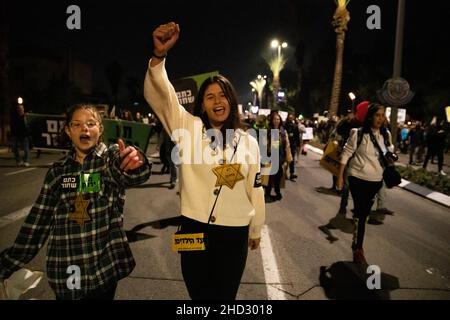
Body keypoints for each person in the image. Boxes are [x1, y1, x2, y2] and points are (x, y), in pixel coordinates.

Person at [143, 22, 265, 300]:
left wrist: (255, 227)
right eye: (209, 97)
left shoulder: (249, 142)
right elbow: (163, 99)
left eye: (222, 95)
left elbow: (255, 188)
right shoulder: (188, 128)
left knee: (225, 297)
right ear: (202, 105)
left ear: (232, 101)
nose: (217, 101)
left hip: (234, 234)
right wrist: (159, 56)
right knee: (198, 296)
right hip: (193, 229)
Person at [0, 104, 151, 300]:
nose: (84, 128)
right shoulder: (57, 172)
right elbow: (37, 223)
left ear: (100, 129)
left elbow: (129, 172)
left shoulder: (108, 160)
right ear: (68, 130)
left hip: (103, 272)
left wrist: (134, 161)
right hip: (65, 269)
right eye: (77, 124)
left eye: (91, 123)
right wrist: (7, 264)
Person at [337, 103, 394, 264]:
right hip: (357, 178)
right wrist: (340, 177)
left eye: (382, 115)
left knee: (363, 213)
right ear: (370, 117)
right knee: (362, 213)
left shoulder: (386, 134)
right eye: (377, 115)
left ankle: (357, 229)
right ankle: (358, 248)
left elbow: (389, 151)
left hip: (375, 180)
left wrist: (391, 156)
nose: (380, 118)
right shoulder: (358, 133)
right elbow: (346, 154)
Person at [265, 111, 292, 201]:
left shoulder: (283, 132)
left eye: (278, 119)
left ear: (280, 120)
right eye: (275, 119)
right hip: (270, 156)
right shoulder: (268, 131)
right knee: (269, 176)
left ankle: (277, 191)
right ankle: (267, 193)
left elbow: (287, 145)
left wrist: (288, 157)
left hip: (280, 156)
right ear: (272, 121)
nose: (276, 121)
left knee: (278, 176)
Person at [284, 114, 300, 180]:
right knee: (285, 160)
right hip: (285, 145)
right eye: (289, 117)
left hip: (292, 145)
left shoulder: (295, 126)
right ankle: (284, 173)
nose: (290, 119)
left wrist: (298, 144)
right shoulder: (284, 126)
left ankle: (292, 173)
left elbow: (297, 136)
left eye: (291, 117)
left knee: (291, 160)